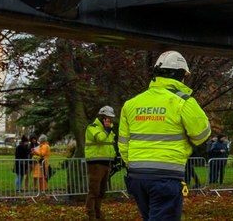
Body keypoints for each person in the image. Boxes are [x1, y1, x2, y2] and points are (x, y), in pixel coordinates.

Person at [119, 50, 211, 221]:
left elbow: (123, 144)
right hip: (166, 177)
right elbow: (201, 134)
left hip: (137, 177)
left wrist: (136, 166)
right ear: (180, 75)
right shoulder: (182, 102)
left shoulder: (131, 104)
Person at [84, 106, 118, 221]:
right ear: (103, 117)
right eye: (108, 117)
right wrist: (107, 129)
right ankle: (91, 215)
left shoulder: (108, 129)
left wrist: (113, 159)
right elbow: (100, 139)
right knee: (94, 191)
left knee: (101, 192)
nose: (110, 120)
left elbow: (110, 146)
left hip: (105, 163)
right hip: (95, 163)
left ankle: (98, 214)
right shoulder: (92, 128)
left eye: (111, 118)